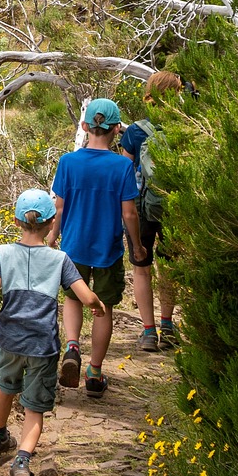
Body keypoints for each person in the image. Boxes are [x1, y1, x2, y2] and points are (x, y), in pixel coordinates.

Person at [0, 188, 103, 476]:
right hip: (43, 344)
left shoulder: (3, 253)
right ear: (52, 224)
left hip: (11, 340)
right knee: (35, 408)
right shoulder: (60, 258)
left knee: (5, 387)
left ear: (16, 221)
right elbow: (84, 296)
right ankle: (23, 460)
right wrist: (97, 305)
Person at [50, 97, 142, 399]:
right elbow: (129, 213)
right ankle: (94, 372)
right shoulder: (122, 167)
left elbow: (60, 208)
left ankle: (72, 346)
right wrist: (137, 247)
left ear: (84, 126)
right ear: (117, 129)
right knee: (104, 308)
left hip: (74, 247)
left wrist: (52, 238)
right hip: (108, 249)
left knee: (73, 299)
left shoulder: (68, 162)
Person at [119, 70, 188, 349]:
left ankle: (149, 331)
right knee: (169, 266)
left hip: (141, 208)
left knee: (141, 268)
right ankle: (168, 325)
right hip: (175, 207)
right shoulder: (186, 126)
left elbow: (125, 172)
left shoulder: (135, 131)